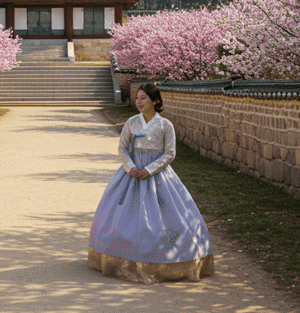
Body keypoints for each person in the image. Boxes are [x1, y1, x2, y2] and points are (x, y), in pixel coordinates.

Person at [88, 82, 214, 283]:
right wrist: (132, 168)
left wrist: (149, 169)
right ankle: (119, 258)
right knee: (121, 215)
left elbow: (170, 153)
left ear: (155, 101)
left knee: (168, 215)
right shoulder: (131, 122)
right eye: (137, 97)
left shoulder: (165, 125)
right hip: (132, 174)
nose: (138, 101)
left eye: (143, 98)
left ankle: (170, 260)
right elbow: (122, 148)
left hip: (158, 175)